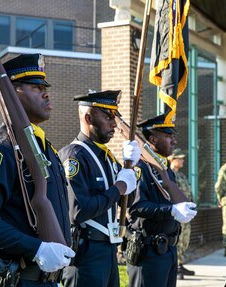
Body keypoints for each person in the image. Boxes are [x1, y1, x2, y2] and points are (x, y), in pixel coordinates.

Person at [0, 54, 75, 287]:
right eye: (36, 88)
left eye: (45, 87)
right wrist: (37, 249)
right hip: (13, 280)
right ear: (12, 93)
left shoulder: (45, 148)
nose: (46, 93)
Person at [59, 90, 140, 287]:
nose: (114, 123)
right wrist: (119, 187)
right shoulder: (74, 156)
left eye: (114, 116)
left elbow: (127, 200)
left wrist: (132, 168)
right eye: (108, 116)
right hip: (86, 254)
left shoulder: (107, 157)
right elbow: (78, 210)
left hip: (108, 251)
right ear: (88, 118)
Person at [126, 114, 197, 287]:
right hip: (148, 251)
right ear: (152, 139)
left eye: (173, 136)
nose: (173, 140)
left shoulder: (165, 169)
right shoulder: (140, 168)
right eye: (168, 136)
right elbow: (136, 207)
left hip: (168, 250)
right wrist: (171, 210)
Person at [168, 148, 195, 279]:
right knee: (178, 240)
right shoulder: (169, 174)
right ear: (172, 160)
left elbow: (188, 191)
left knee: (185, 239)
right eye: (180, 158)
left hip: (186, 212)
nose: (182, 160)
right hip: (178, 213)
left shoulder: (181, 175)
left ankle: (181, 262)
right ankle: (176, 267)